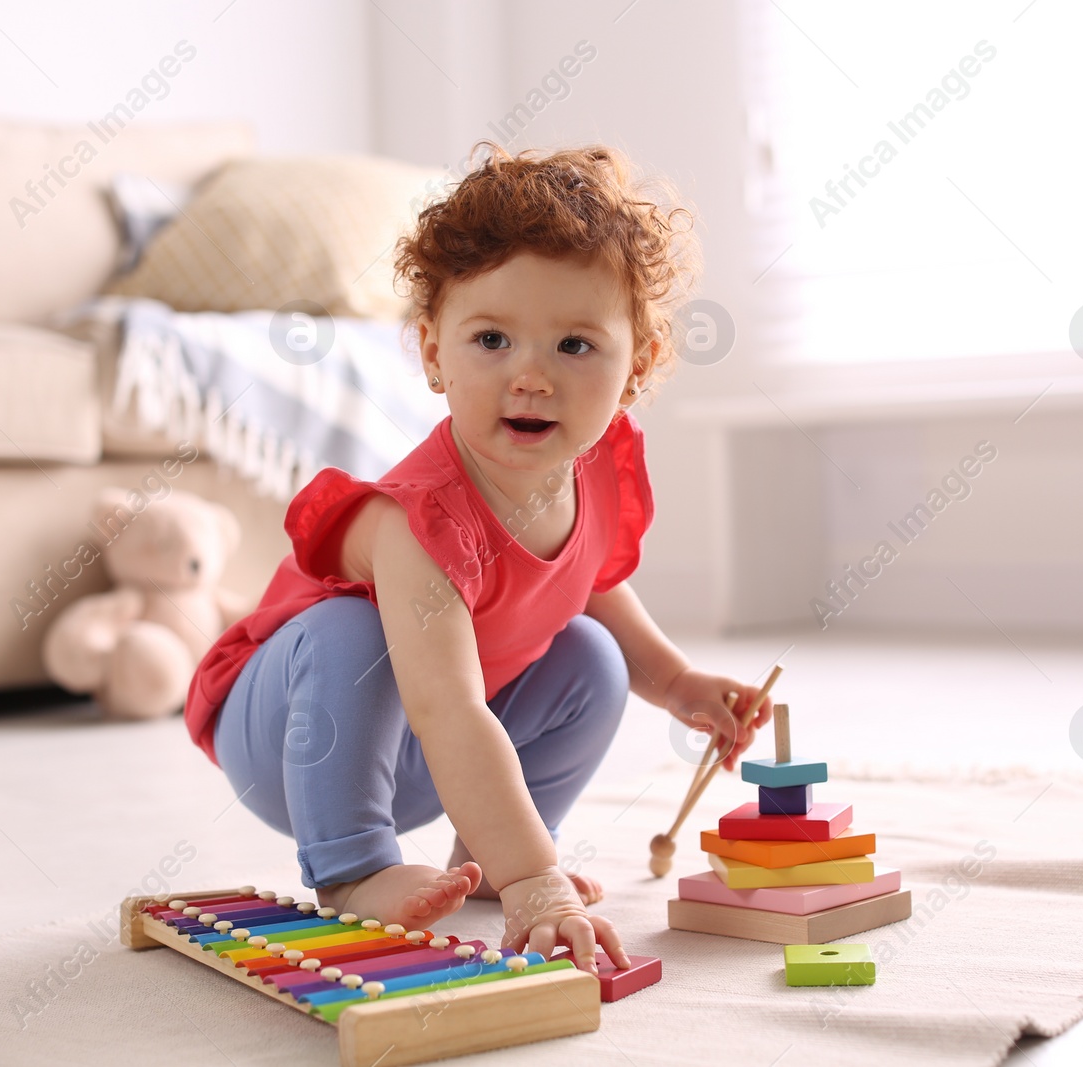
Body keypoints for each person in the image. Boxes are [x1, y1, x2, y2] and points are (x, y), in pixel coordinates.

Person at [183, 143, 769, 973]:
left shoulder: (597, 467)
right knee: (356, 628)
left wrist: (678, 685)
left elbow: (591, 584)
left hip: (425, 749)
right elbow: (448, 705)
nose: (530, 376)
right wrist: (541, 886)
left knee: (591, 656)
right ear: (432, 354)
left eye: (574, 346)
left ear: (634, 365)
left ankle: (492, 850)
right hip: (293, 733)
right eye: (491, 338)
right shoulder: (420, 519)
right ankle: (353, 867)